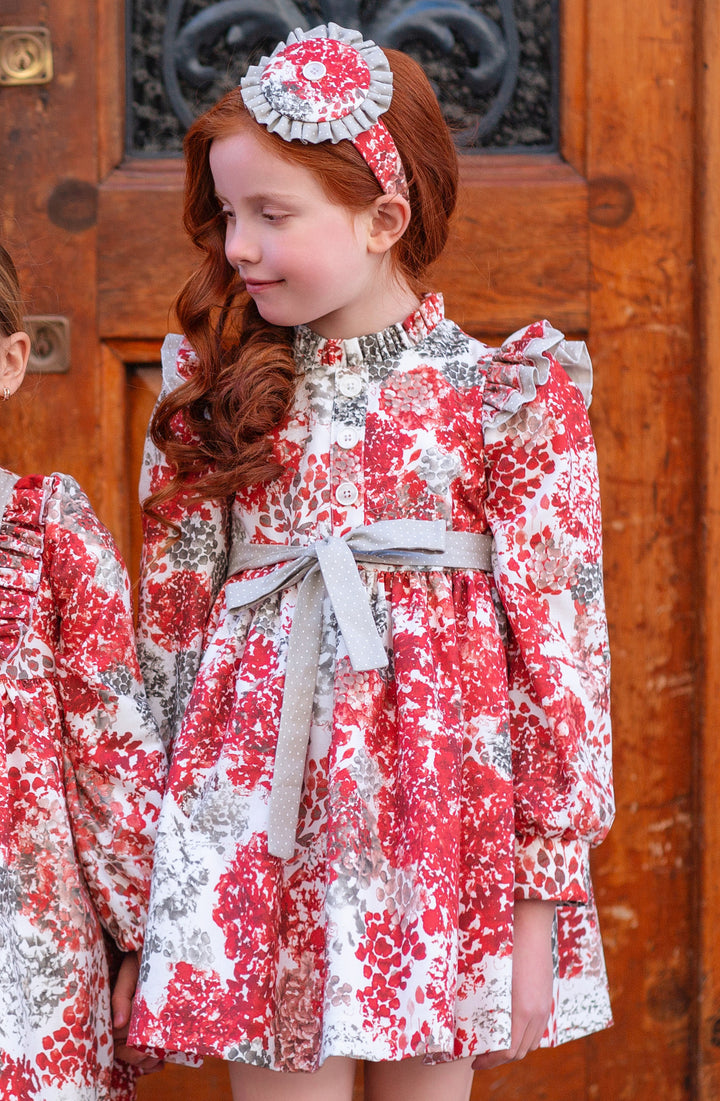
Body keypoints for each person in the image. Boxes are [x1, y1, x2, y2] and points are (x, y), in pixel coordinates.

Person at [129, 23, 614, 1101]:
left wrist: (538, 910)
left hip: (444, 840)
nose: (238, 248)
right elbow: (164, 649)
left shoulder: (508, 397)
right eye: (227, 215)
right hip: (259, 833)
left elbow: (562, 663)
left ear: (384, 219)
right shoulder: (220, 396)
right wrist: (143, 895)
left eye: (271, 215)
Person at [0, 243, 167, 1101]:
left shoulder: (46, 536)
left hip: (24, 964)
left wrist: (141, 935)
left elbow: (114, 752)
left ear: (9, 360)